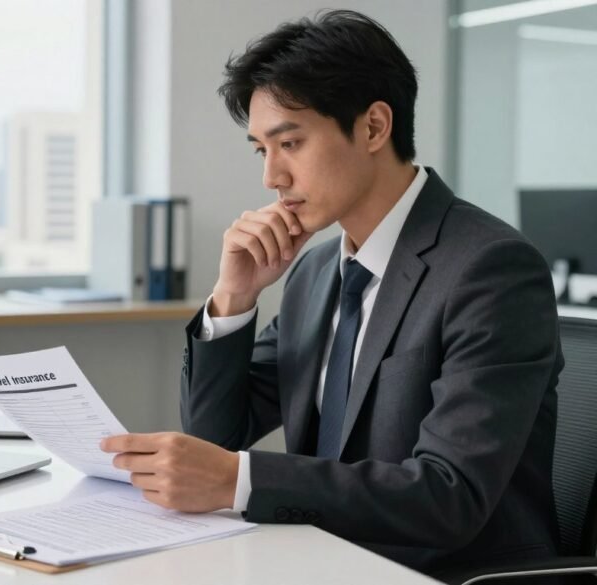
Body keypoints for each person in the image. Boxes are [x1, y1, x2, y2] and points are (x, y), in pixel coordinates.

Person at [100, 9, 563, 579]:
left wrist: (238, 479)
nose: (272, 176)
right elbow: (214, 438)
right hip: (320, 561)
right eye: (260, 150)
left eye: (289, 142)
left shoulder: (489, 269)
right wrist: (233, 297)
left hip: (440, 573)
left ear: (372, 127)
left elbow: (450, 496)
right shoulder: (317, 270)